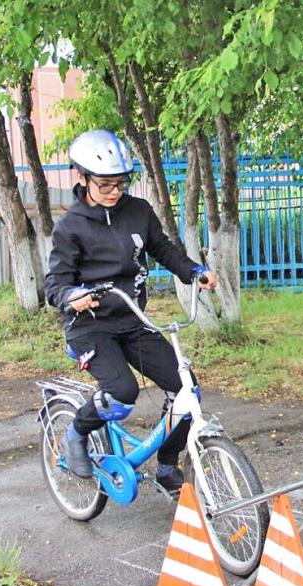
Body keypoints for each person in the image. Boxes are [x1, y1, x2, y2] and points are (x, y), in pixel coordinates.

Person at [44, 129, 217, 494]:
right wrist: (72, 295)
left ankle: (168, 465)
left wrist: (193, 271)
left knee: (187, 391)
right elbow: (54, 284)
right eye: (105, 184)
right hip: (90, 327)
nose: (114, 192)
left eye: (120, 184)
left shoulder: (138, 212)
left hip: (134, 321)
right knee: (122, 392)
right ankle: (77, 434)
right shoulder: (70, 227)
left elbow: (163, 249)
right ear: (83, 177)